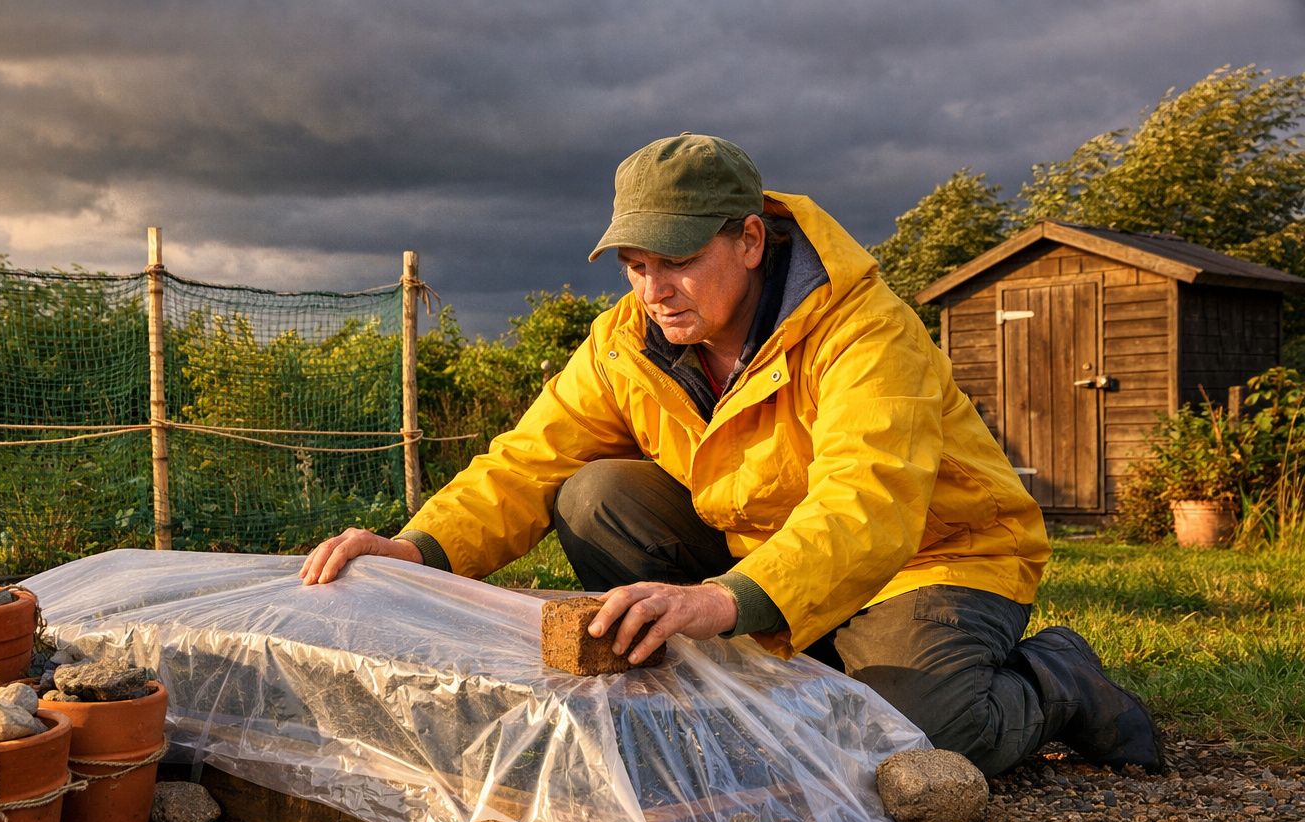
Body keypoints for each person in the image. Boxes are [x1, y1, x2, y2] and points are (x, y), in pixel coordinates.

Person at [300, 133, 1163, 778]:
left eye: (675, 260)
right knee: (593, 493)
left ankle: (1058, 678)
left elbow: (869, 504)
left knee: (920, 736)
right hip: (768, 560)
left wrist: (720, 601)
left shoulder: (864, 330)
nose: (653, 289)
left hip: (933, 559)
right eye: (634, 265)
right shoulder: (623, 342)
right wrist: (414, 548)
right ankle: (774, 673)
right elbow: (527, 460)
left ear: (750, 241)